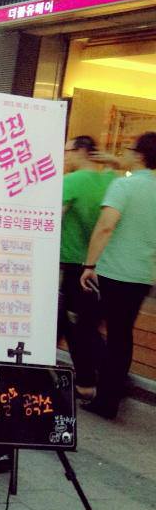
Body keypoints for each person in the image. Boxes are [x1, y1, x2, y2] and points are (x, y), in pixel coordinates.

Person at [80, 132, 156, 419]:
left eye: (129, 149)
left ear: (139, 155)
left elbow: (106, 226)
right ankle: (110, 396)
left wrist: (89, 264)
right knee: (121, 335)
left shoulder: (123, 185)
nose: (125, 152)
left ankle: (104, 397)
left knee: (91, 327)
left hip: (114, 272)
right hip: (142, 274)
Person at [58, 136, 117, 398]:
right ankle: (106, 377)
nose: (65, 156)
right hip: (102, 265)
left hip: (73, 264)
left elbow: (50, 215)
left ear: (81, 151)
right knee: (87, 323)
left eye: (68, 150)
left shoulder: (72, 181)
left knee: (75, 324)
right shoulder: (111, 180)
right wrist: (114, 162)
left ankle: (85, 381)